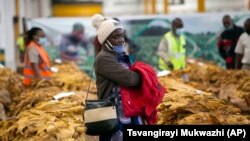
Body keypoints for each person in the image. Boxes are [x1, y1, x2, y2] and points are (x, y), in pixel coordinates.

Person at [91, 14, 144, 141]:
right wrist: (145, 76)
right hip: (113, 115)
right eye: (116, 37)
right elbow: (130, 79)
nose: (121, 40)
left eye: (121, 35)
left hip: (126, 110)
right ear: (105, 40)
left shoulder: (119, 55)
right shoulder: (104, 58)